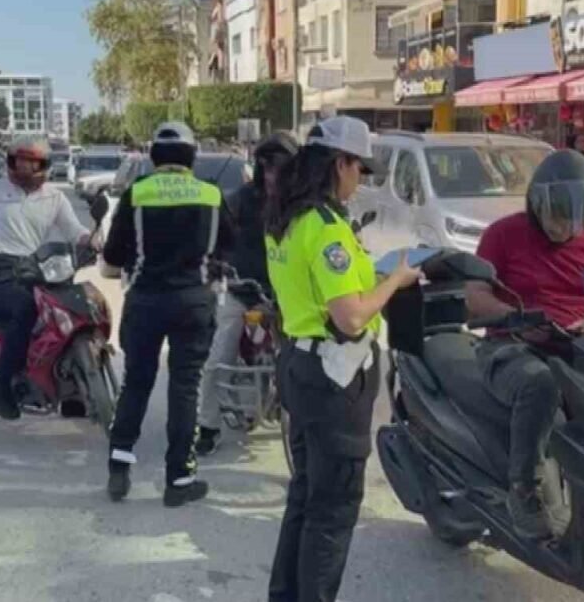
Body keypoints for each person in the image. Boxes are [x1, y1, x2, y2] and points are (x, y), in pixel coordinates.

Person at [265, 117, 421, 602]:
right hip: (334, 378)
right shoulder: (326, 229)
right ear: (340, 164)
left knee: (305, 497)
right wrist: (393, 282)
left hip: (299, 364)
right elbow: (351, 317)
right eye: (359, 168)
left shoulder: (288, 218)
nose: (360, 180)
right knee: (332, 510)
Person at [464, 149, 584, 540]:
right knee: (541, 383)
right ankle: (524, 489)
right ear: (538, 204)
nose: (568, 228)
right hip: (513, 346)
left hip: (579, 347)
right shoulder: (503, 234)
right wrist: (514, 317)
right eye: (561, 216)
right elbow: (474, 294)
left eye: (577, 218)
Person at [101, 122, 233, 508]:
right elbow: (229, 247)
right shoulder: (211, 195)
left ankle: (119, 466)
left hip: (145, 303)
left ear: (153, 156)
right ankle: (179, 479)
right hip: (194, 302)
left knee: (136, 383)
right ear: (192, 157)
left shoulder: (137, 193)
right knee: (185, 387)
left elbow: (112, 256)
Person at [0, 138, 95, 419]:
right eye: (21, 161)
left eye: (32, 163)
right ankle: (2, 383)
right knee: (26, 308)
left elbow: (74, 230)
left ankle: (70, 389)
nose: (26, 167)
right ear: (12, 163)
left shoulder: (54, 197)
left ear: (43, 165)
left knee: (67, 311)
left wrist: (92, 240)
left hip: (36, 266)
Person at [195, 132, 298, 456]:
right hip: (242, 289)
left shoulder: (302, 206)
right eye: (267, 168)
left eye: (279, 168)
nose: (272, 176)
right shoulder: (239, 200)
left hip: (289, 295)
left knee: (308, 359)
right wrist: (214, 264)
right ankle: (208, 425)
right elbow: (216, 240)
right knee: (217, 359)